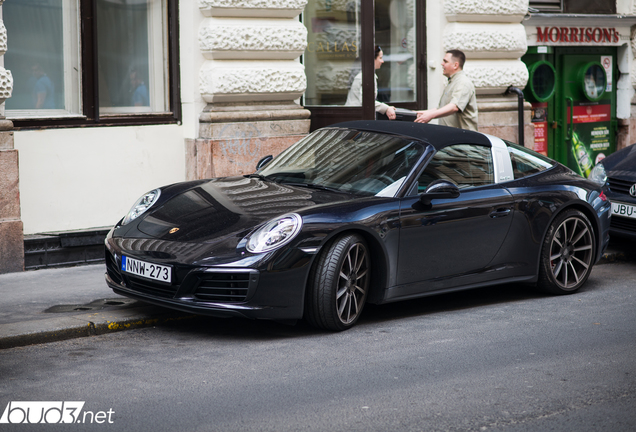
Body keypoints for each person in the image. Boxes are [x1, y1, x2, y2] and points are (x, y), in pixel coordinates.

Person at [415, 49, 478, 131]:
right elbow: (441, 108)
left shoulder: (463, 83)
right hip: (454, 138)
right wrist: (421, 113)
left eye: (445, 61)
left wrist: (431, 115)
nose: (442, 64)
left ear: (455, 65)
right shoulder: (452, 82)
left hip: (463, 139)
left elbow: (454, 107)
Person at [345, 45, 396, 120]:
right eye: (380, 58)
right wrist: (386, 108)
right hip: (355, 119)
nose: (382, 61)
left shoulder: (365, 74)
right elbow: (366, 102)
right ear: (373, 59)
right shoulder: (367, 77)